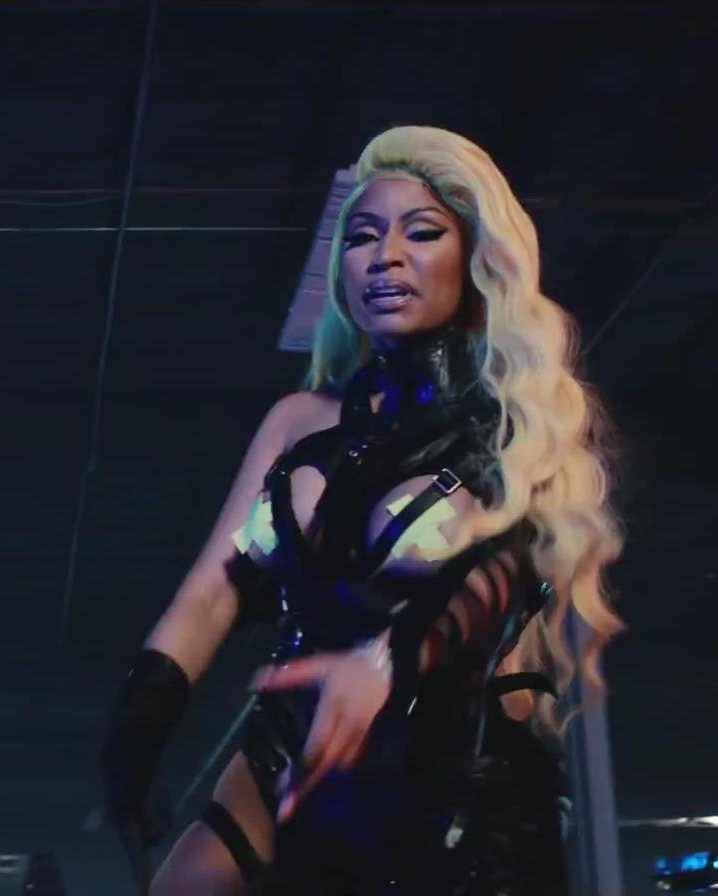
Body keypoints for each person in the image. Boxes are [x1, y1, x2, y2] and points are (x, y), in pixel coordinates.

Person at [99, 125, 624, 895]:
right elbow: (211, 592)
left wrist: (387, 660)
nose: (386, 257)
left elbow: (500, 582)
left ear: (474, 257)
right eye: (363, 236)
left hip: (455, 762)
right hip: (296, 739)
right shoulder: (296, 423)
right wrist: (138, 729)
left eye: (422, 233)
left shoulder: (519, 422)